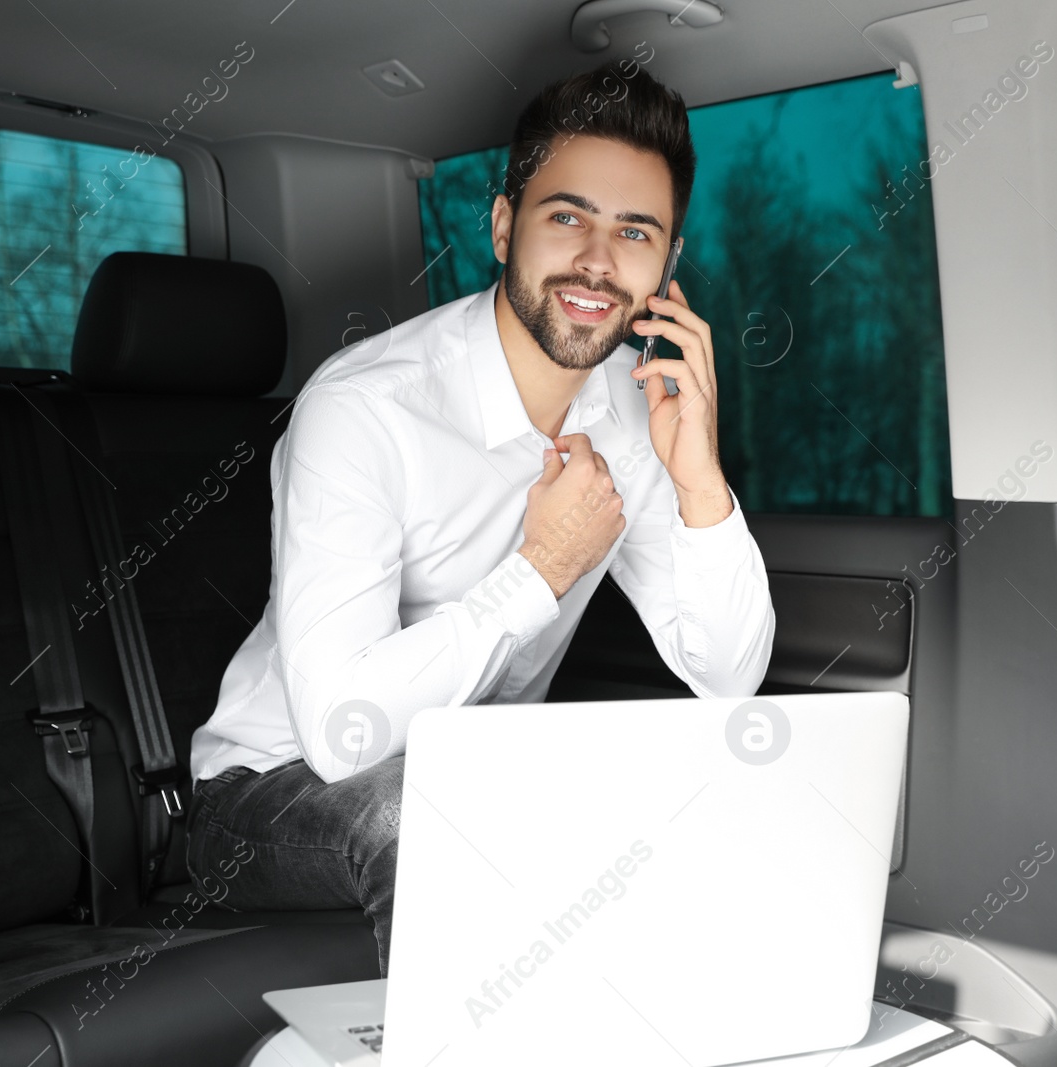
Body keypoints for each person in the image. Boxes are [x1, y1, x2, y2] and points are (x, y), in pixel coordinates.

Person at [184, 57, 775, 977]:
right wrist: (541, 569)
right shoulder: (365, 408)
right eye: (567, 216)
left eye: (634, 232)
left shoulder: (633, 405)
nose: (596, 260)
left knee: (714, 772)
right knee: (428, 808)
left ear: (665, 265)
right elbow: (344, 738)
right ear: (504, 226)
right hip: (267, 791)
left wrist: (700, 477)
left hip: (482, 779)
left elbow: (728, 672)